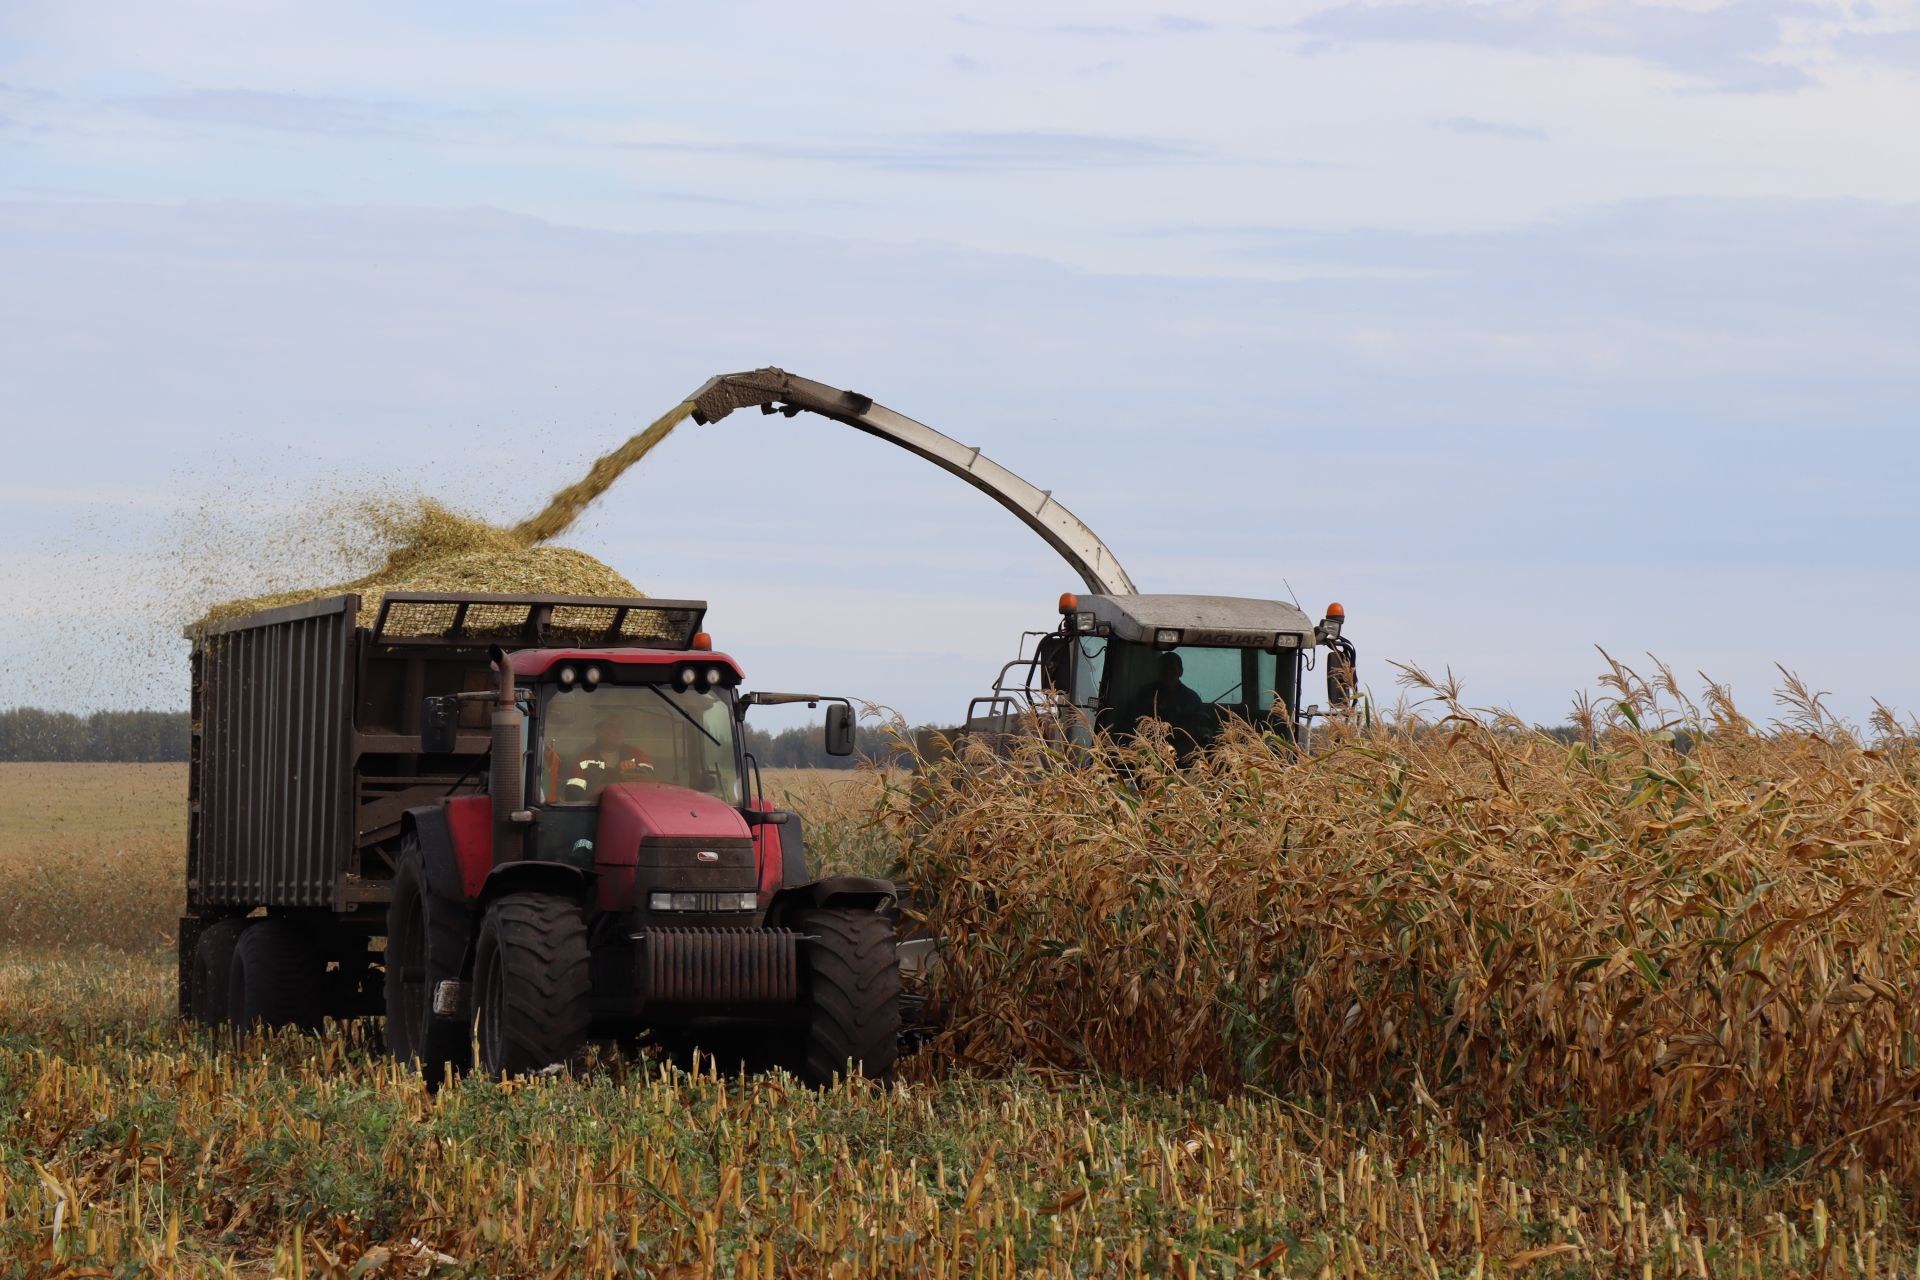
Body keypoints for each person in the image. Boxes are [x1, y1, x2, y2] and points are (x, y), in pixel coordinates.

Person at [559, 714, 653, 801]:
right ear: (598, 731)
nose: (618, 731)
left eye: (620, 726)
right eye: (611, 726)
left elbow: (650, 778)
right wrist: (616, 778)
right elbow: (574, 798)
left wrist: (635, 770)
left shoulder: (635, 753)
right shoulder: (583, 759)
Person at [1148, 652, 1203, 719]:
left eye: (1171, 669)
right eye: (1164, 669)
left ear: (1181, 671)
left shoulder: (1192, 699)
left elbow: (1200, 724)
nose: (1168, 673)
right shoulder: (1146, 694)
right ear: (1158, 671)